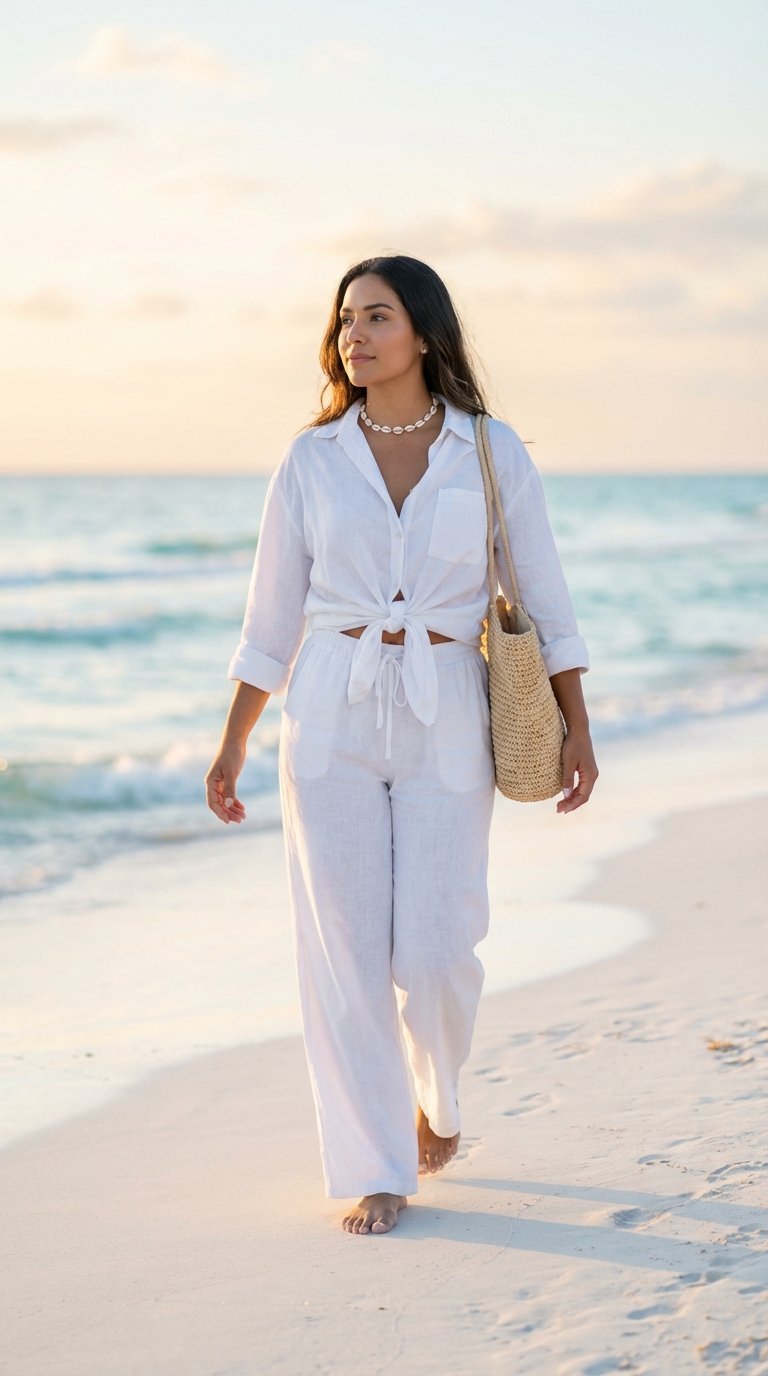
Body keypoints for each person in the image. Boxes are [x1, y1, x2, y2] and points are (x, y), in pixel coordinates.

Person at [205, 254, 598, 1236]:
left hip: (446, 711)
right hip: (330, 708)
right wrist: (233, 743)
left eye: (376, 317)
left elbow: (544, 599)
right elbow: (271, 617)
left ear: (422, 332)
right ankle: (377, 1163)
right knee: (343, 952)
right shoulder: (311, 460)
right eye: (344, 320)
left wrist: (578, 724)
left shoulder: (491, 450)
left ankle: (441, 1094)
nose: (354, 335)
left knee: (435, 944)